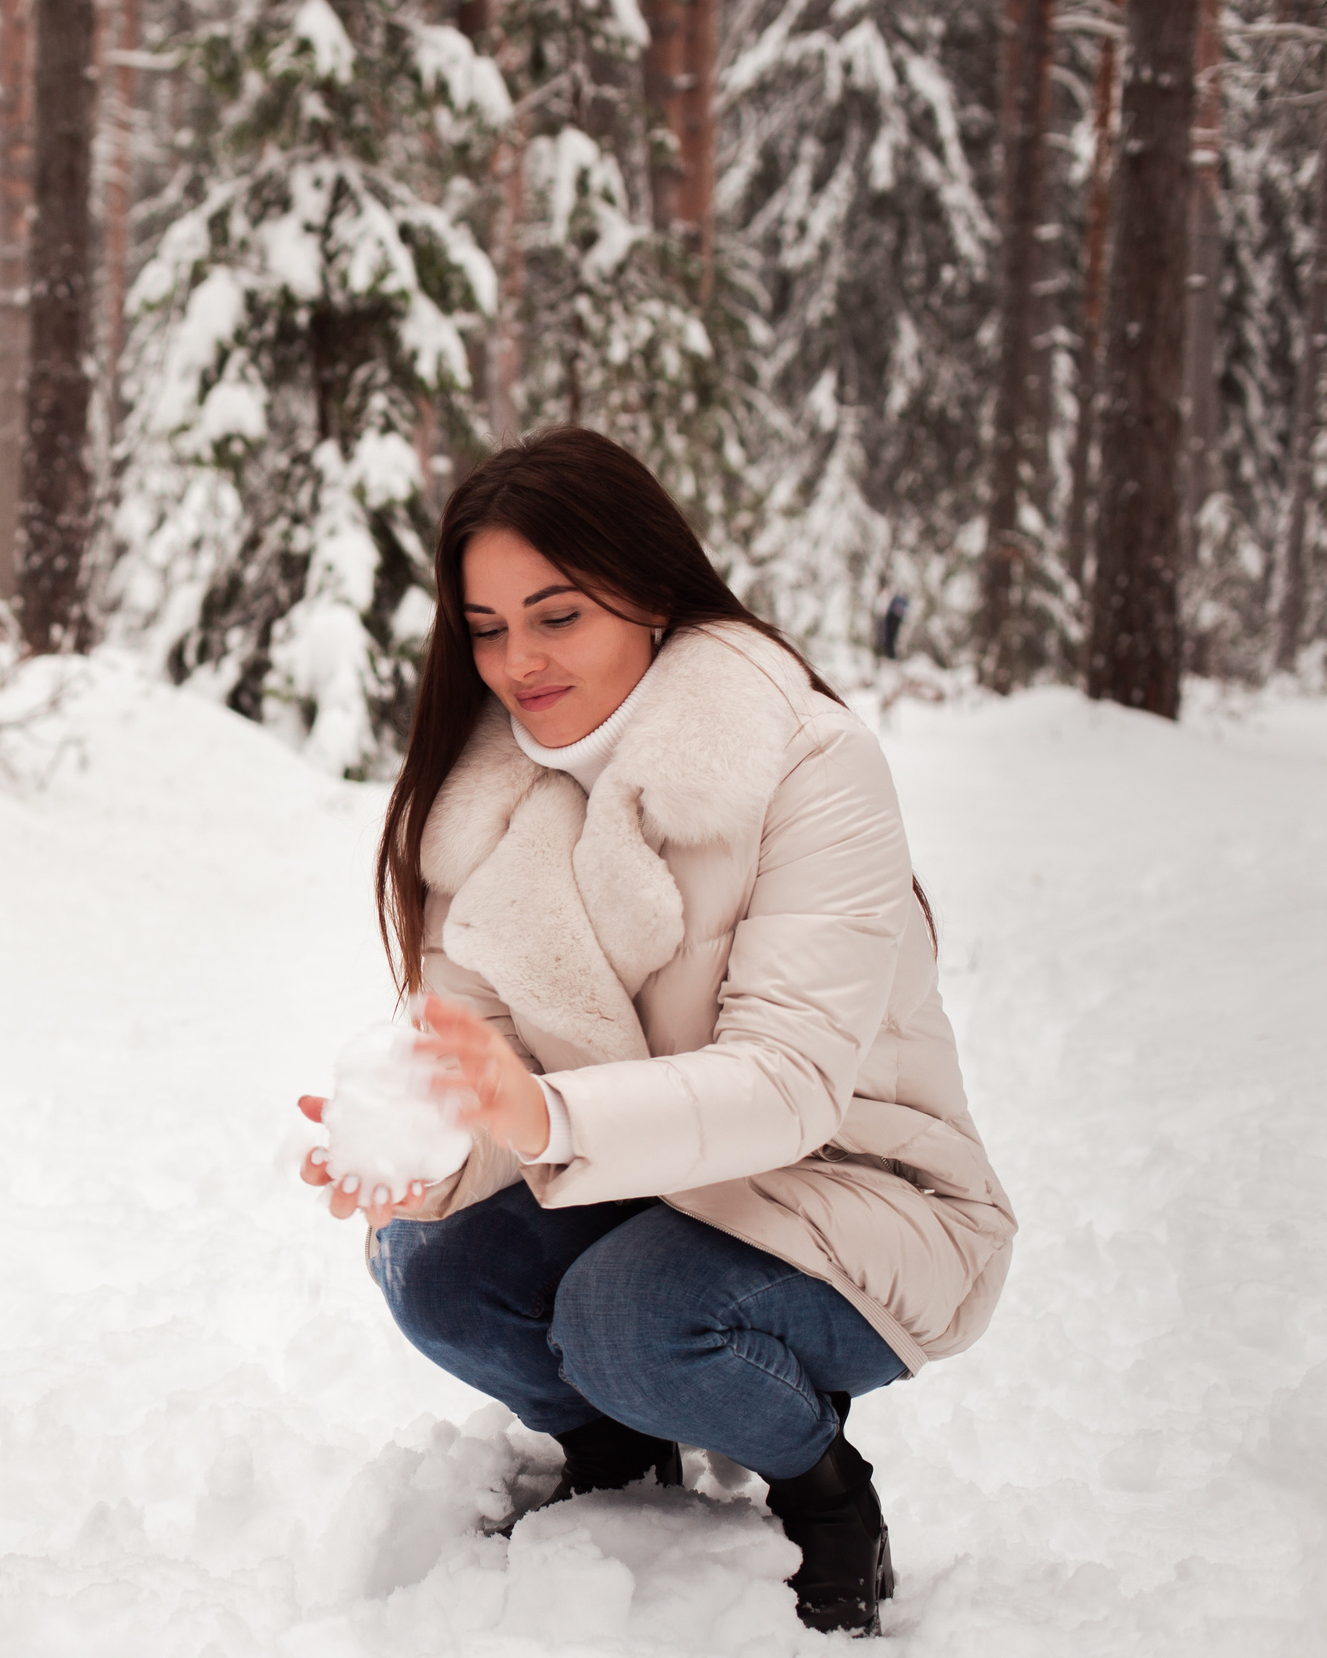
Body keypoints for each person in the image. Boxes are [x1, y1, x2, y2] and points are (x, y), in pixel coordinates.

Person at [296, 427, 1015, 1636]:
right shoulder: (478, 799)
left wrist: (544, 1118)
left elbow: (790, 1084)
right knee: (434, 1268)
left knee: (629, 1316)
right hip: (641, 1179)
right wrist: (433, 1153)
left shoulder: (805, 760)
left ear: (646, 586)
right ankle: (618, 1453)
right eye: (484, 626)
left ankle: (820, 1484)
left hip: (854, 1189)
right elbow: (485, 1068)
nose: (516, 660)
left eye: (555, 614)